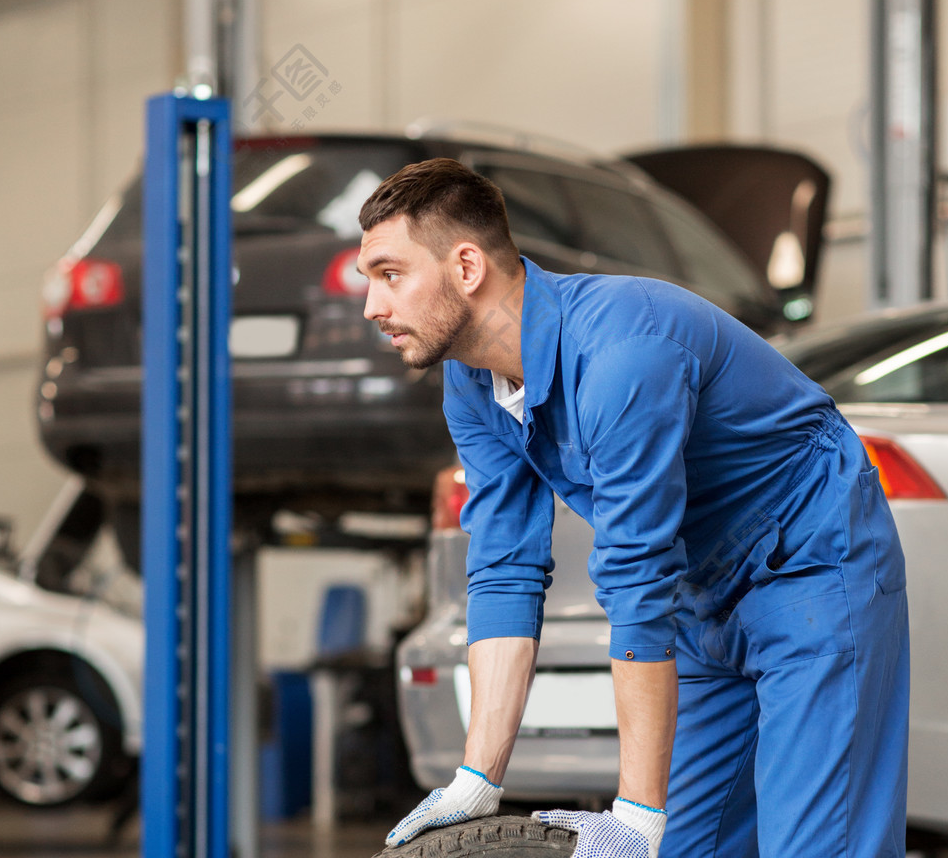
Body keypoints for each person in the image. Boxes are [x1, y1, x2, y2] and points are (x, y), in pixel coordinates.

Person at [356, 157, 909, 858]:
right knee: (685, 848)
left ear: (466, 267)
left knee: (813, 846)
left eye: (388, 274)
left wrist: (636, 817)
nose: (373, 306)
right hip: (703, 592)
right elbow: (504, 570)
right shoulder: (472, 384)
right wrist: (476, 779)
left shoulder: (623, 351)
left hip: (811, 565)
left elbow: (635, 572)